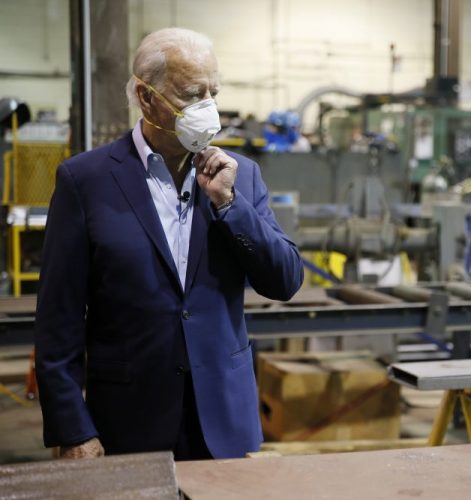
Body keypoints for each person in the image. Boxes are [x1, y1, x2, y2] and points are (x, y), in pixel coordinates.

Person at [35, 27, 304, 460]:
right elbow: (57, 321)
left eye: (213, 92)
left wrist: (230, 205)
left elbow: (285, 280)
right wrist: (72, 429)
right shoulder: (85, 182)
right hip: (127, 423)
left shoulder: (241, 176)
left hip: (224, 423)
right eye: (192, 94)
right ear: (146, 97)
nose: (208, 108)